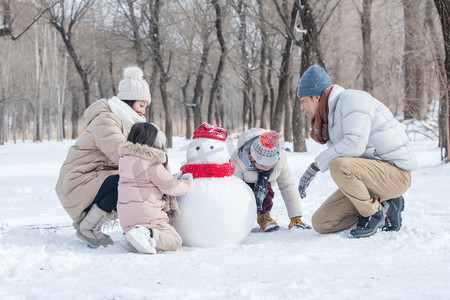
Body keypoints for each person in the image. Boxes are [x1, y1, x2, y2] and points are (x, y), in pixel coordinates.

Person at [296, 65, 417, 238]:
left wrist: (315, 166)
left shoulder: (353, 99)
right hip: (371, 178)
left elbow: (355, 144)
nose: (301, 107)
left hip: (396, 174)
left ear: (316, 97)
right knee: (322, 223)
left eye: (302, 100)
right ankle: (385, 208)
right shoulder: (330, 118)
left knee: (339, 165)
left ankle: (372, 214)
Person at [55, 66, 152, 248]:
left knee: (134, 180)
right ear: (129, 101)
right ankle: (88, 228)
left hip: (92, 178)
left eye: (145, 106)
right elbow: (122, 155)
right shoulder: (106, 120)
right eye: (141, 105)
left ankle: (94, 224)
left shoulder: (124, 122)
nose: (143, 112)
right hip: (77, 182)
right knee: (130, 183)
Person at [117, 122, 192, 254]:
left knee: (143, 234)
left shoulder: (124, 161)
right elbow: (171, 187)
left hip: (126, 218)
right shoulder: (151, 164)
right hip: (148, 217)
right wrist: (186, 182)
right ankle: (147, 234)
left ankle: (133, 238)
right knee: (175, 240)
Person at [231, 129, 311, 232]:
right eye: (263, 164)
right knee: (245, 196)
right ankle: (241, 220)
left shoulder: (280, 157)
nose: (268, 168)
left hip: (265, 185)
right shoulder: (239, 159)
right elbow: (235, 190)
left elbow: (287, 185)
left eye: (271, 164)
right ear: (251, 157)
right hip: (244, 185)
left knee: (267, 190)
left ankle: (263, 215)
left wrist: (295, 217)